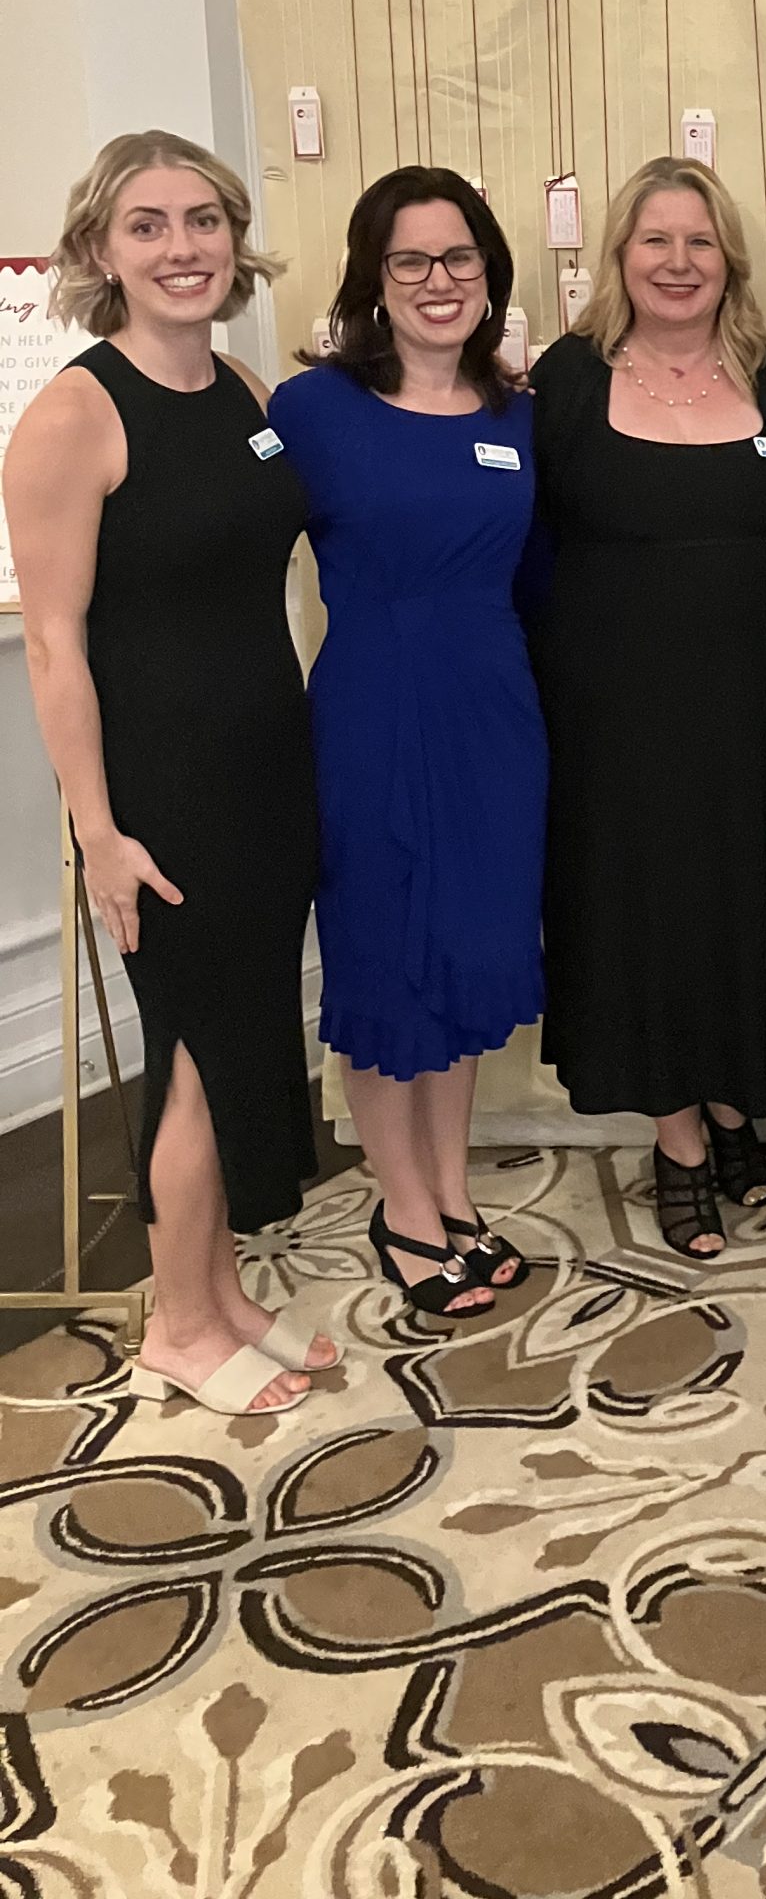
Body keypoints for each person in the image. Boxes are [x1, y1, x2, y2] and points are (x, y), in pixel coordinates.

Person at [4, 132, 322, 1414]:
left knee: (243, 1034)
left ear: (234, 239)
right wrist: (100, 829)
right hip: (164, 785)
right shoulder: (74, 414)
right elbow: (54, 644)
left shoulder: (242, 387)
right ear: (101, 249)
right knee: (194, 1044)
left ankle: (224, 1290)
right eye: (148, 225)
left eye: (203, 220)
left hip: (267, 760)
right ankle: (179, 1325)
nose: (183, 248)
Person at [531, 156, 766, 1258]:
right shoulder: (568, 380)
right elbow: (521, 536)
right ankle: (679, 1137)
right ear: (619, 257)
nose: (678, 261)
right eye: (655, 240)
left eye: (700, 241)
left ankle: (739, 1104)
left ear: (730, 259)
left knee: (745, 902)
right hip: (613, 709)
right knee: (640, 912)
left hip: (759, 700)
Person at [271, 167, 544, 1323]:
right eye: (411, 260)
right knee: (386, 955)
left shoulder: (517, 412)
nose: (440, 280)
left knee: (471, 947)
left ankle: (451, 1190)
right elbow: (221, 545)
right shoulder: (311, 410)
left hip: (495, 713)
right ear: (372, 280)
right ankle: (401, 1207)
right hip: (373, 710)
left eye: (460, 257)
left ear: (490, 273)